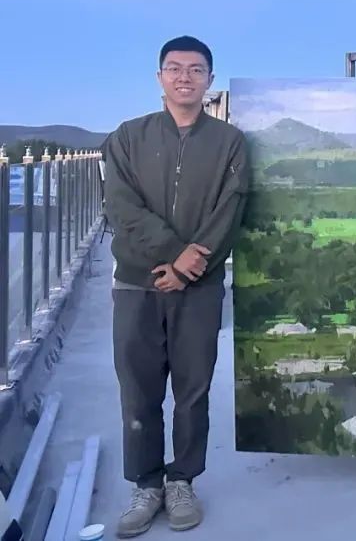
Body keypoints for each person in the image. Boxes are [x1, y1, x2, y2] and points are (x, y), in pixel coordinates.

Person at [104, 36, 250, 537]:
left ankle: (182, 480)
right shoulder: (128, 137)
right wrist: (171, 253)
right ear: (159, 77)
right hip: (136, 284)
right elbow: (121, 207)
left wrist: (189, 268)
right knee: (138, 390)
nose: (184, 77)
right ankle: (146, 484)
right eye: (174, 68)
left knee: (193, 389)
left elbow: (230, 210)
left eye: (195, 69)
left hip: (199, 288)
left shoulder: (229, 143)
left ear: (210, 80)